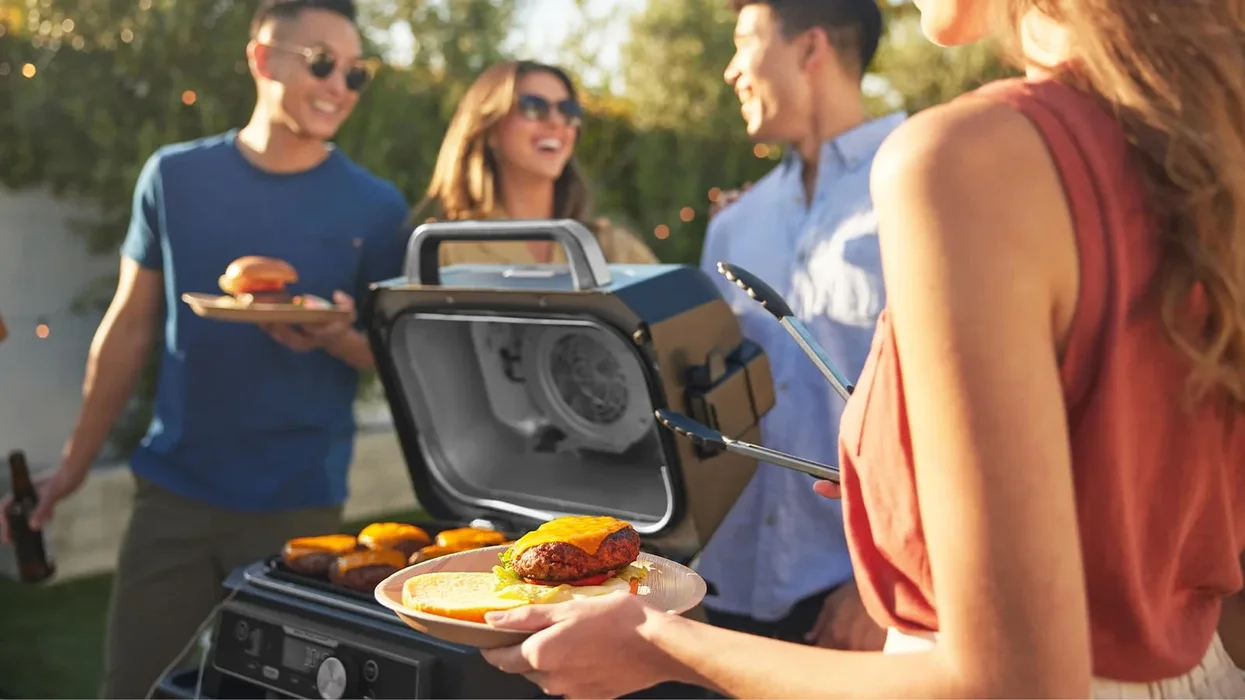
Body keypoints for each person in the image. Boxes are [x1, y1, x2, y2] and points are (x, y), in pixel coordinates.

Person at [476, 0, 1245, 697]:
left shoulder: (963, 159)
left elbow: (1007, 686)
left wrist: (659, 644)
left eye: (744, 41)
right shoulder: (1203, 149)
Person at [0, 1, 409, 697]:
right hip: (175, 496)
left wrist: (339, 338)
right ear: (259, 58)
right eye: (319, 62)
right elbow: (128, 328)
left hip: (299, 503)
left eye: (354, 73)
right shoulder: (174, 176)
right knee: (131, 686)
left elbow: (393, 355)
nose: (338, 84)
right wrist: (70, 467)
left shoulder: (376, 207)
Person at [692, 0, 901, 651]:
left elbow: (973, 416)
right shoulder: (732, 226)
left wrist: (888, 587)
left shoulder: (922, 190)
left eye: (743, 42)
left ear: (809, 49)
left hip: (855, 602)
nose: (730, 70)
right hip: (720, 593)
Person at [410, 60, 659, 266]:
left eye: (568, 110)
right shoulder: (447, 249)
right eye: (533, 107)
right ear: (491, 130)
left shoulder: (613, 249)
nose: (555, 122)